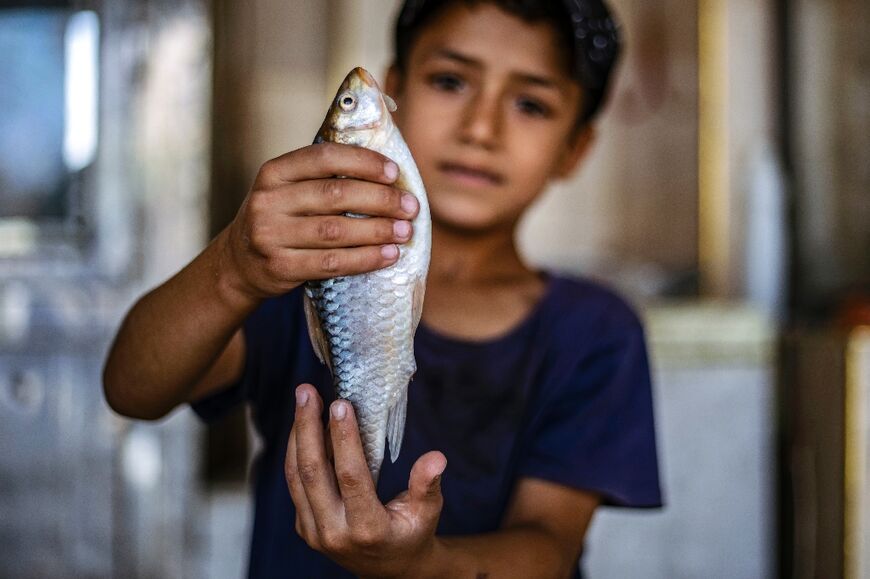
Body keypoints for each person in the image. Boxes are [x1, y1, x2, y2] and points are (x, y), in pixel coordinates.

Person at [103, 0, 662, 577]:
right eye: (450, 81)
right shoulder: (300, 277)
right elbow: (131, 389)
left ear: (574, 148)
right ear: (395, 90)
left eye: (530, 103)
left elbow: (549, 548)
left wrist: (423, 565)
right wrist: (231, 268)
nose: (480, 128)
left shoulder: (595, 331)